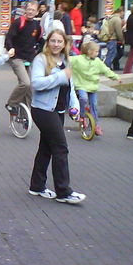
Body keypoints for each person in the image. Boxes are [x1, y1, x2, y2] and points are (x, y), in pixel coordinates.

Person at [29, 29, 85, 205]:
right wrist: (60, 76)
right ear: (48, 42)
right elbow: (36, 84)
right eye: (53, 41)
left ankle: (36, 186)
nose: (56, 44)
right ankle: (63, 191)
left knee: (46, 148)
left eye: (59, 41)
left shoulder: (66, 61)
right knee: (61, 148)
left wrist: (74, 107)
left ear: (64, 44)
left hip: (58, 110)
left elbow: (71, 86)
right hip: (43, 110)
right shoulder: (41, 59)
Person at [70, 41, 120, 137]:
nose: (98, 53)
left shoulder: (97, 62)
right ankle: (81, 115)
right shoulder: (78, 59)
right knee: (83, 98)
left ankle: (95, 125)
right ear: (89, 51)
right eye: (96, 51)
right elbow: (67, 60)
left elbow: (106, 70)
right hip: (81, 85)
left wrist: (115, 77)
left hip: (92, 87)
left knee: (94, 106)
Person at [4, 0, 42, 114]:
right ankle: (11, 103)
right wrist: (10, 48)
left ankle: (26, 115)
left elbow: (39, 40)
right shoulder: (18, 22)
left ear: (37, 12)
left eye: (33, 10)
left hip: (29, 58)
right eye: (29, 9)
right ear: (25, 10)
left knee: (31, 88)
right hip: (17, 58)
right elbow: (9, 38)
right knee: (25, 83)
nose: (30, 12)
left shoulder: (36, 25)